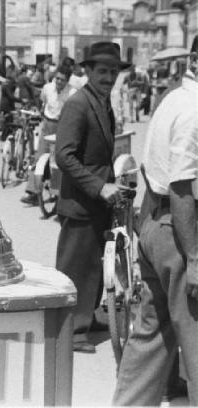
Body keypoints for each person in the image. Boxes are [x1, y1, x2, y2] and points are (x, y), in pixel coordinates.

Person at [112, 42, 198, 406]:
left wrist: (145, 230)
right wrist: (194, 258)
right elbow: (182, 188)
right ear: (195, 61)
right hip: (181, 231)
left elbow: (150, 169)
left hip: (156, 224)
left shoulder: (172, 100)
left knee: (151, 334)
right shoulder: (194, 110)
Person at [54, 42, 131, 353]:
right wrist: (99, 187)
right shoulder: (78, 104)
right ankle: (71, 331)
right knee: (76, 266)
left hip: (99, 199)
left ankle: (87, 317)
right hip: (82, 200)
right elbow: (64, 156)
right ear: (86, 71)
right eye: (102, 71)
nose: (108, 77)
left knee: (98, 263)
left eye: (113, 72)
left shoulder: (103, 102)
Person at [21, 64, 76, 205]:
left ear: (67, 81)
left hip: (63, 126)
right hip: (47, 124)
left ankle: (59, 191)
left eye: (62, 80)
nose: (58, 82)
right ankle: (33, 192)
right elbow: (42, 101)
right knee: (39, 156)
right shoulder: (47, 88)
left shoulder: (73, 93)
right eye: (57, 78)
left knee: (59, 160)